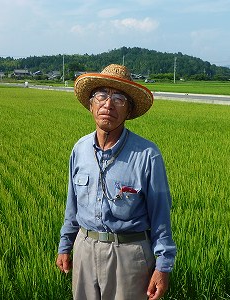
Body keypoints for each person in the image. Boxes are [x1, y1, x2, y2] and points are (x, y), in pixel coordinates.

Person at [56, 64, 176, 300]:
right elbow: (72, 205)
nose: (108, 104)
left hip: (129, 254)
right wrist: (65, 244)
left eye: (119, 98)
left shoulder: (147, 155)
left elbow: (161, 215)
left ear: (128, 110)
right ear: (91, 105)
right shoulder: (79, 149)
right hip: (85, 248)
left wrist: (163, 266)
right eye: (101, 96)